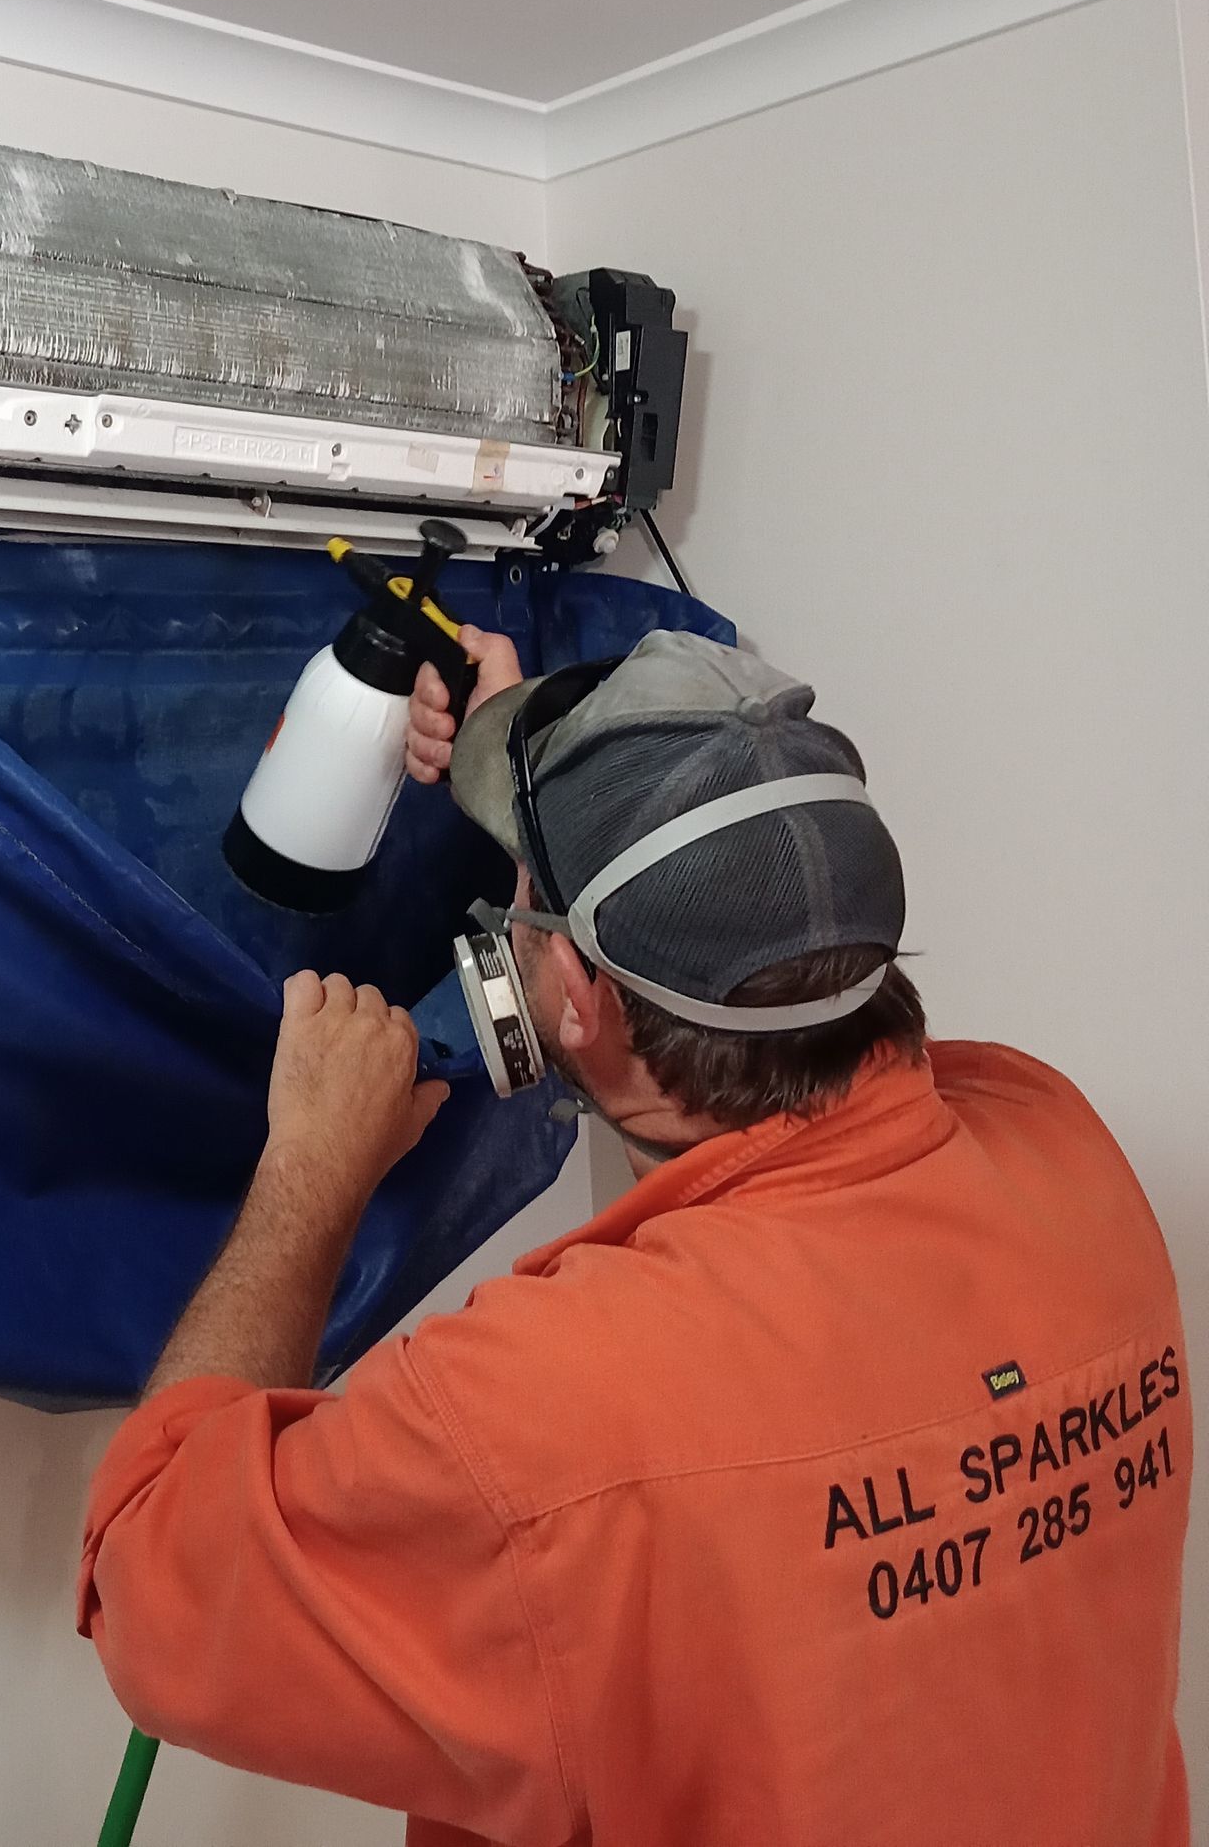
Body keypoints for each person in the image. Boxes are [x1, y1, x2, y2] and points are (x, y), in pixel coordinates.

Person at [78, 624, 1191, 1846]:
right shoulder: (1059, 1149)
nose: (508, 918)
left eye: (523, 906)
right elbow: (752, 1156)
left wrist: (308, 1170)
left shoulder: (537, 1414)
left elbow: (148, 1580)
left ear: (582, 1000)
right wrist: (555, 802)